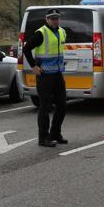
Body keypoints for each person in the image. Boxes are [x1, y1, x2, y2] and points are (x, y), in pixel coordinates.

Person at [23, 9, 68, 147]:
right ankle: (43, 138)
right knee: (45, 107)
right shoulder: (41, 33)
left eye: (57, 18)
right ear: (47, 19)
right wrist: (33, 66)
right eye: (52, 18)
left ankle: (55, 133)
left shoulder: (62, 32)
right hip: (44, 76)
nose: (55, 20)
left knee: (62, 105)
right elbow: (26, 48)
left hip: (57, 74)